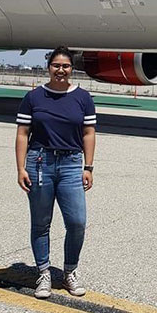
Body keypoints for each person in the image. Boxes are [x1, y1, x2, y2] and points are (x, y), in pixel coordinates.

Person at [15, 46, 96, 299]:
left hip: (72, 164)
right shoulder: (34, 97)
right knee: (41, 223)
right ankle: (43, 273)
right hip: (39, 163)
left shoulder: (83, 98)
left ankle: (69, 271)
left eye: (66, 66)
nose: (61, 70)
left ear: (72, 69)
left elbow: (89, 134)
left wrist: (88, 166)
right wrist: (20, 169)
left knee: (77, 222)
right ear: (49, 67)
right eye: (56, 65)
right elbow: (22, 134)